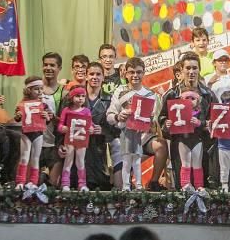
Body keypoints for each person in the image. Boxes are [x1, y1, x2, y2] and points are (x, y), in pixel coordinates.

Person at [160, 52, 216, 191]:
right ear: (182, 70)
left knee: (201, 182)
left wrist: (203, 124)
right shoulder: (171, 94)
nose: (191, 72)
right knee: (182, 183)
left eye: (194, 68)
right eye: (188, 68)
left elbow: (215, 121)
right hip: (179, 142)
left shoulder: (208, 94)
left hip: (202, 143)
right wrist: (166, 124)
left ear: (199, 69)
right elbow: (161, 118)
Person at [107, 57, 157, 191]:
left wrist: (150, 120)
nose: (135, 75)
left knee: (136, 160)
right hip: (124, 134)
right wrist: (118, 116)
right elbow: (109, 117)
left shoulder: (150, 94)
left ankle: (141, 185)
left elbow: (153, 123)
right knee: (127, 161)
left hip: (143, 136)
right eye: (132, 72)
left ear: (144, 73)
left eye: (139, 72)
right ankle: (126, 186)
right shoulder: (120, 92)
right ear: (126, 74)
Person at [13, 76, 52, 190]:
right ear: (29, 90)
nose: (40, 91)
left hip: (38, 134)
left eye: (41, 88)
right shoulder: (22, 103)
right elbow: (17, 118)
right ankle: (20, 181)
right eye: (36, 89)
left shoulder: (43, 104)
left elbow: (48, 119)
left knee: (35, 158)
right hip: (26, 133)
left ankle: (33, 182)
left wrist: (46, 116)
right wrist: (18, 116)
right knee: (24, 157)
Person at [58, 86, 100, 191]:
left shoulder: (86, 111)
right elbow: (60, 125)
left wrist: (91, 129)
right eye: (77, 96)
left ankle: (82, 184)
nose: (81, 98)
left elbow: (90, 125)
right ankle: (65, 183)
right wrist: (63, 128)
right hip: (70, 139)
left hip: (81, 139)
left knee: (80, 161)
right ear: (71, 97)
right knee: (68, 160)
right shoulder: (66, 110)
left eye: (83, 96)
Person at [84, 62, 114, 190]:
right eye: (91, 74)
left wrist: (103, 130)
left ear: (103, 78)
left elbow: (117, 127)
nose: (94, 77)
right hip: (77, 146)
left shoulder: (110, 100)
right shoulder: (74, 97)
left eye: (98, 74)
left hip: (100, 148)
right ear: (86, 76)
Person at [39, 52, 63, 186]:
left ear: (59, 68)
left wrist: (53, 117)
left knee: (53, 185)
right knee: (33, 184)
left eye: (52, 65)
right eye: (45, 65)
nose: (48, 68)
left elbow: (66, 122)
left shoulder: (64, 92)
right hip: (35, 144)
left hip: (55, 146)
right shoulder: (34, 89)